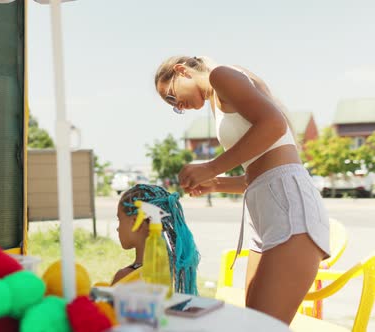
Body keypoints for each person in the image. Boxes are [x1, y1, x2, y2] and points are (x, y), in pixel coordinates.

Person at [154, 55, 330, 324]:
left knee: (261, 327)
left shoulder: (221, 75)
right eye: (172, 106)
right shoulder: (217, 100)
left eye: (171, 96)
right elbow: (261, 172)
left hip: (290, 213)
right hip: (266, 216)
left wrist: (211, 167)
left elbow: (273, 125)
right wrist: (217, 183)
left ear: (182, 71)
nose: (178, 105)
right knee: (253, 323)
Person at [112, 184, 200, 295]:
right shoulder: (171, 270)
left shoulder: (125, 277)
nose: (117, 228)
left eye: (119, 220)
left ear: (136, 222)